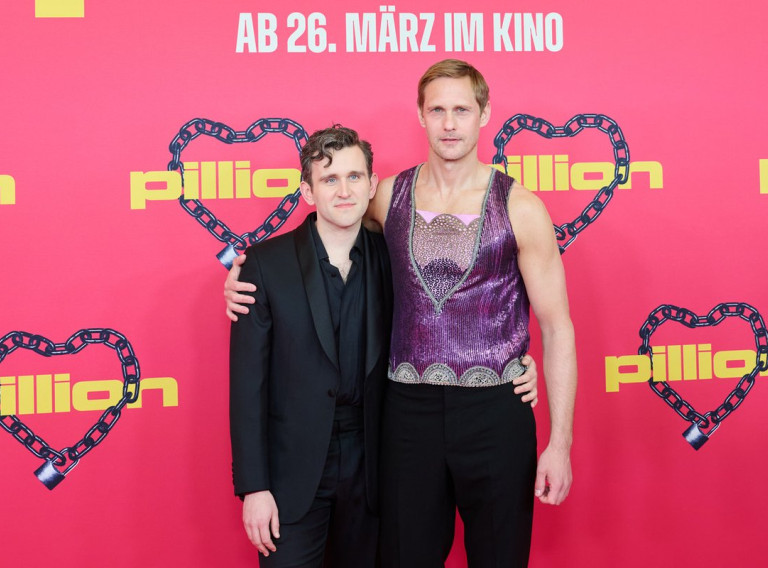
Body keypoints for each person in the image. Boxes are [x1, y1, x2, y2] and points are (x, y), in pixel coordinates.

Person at [228, 124, 539, 568]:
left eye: (354, 177)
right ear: (308, 191)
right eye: (329, 179)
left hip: (374, 468)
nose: (344, 191)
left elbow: (451, 312)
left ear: (372, 185)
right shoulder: (264, 266)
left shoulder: (395, 255)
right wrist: (254, 487)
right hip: (292, 476)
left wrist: (512, 359)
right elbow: (247, 387)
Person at [368, 59, 577, 567]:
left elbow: (557, 328)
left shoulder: (521, 207)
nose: (449, 123)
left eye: (461, 110)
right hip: (407, 412)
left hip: (496, 412)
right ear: (420, 115)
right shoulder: (386, 197)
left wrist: (560, 445)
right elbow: (324, 238)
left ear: (484, 115)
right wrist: (251, 273)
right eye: (437, 110)